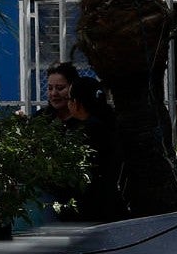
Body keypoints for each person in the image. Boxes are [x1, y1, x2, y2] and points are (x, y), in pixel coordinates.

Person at [64, 77, 127, 223]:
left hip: (94, 207)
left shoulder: (88, 130)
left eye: (69, 99)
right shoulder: (107, 124)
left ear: (77, 103)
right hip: (109, 203)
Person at [40, 61, 81, 129]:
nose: (54, 93)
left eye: (60, 88)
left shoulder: (85, 121)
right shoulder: (41, 118)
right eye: (50, 88)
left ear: (73, 88)